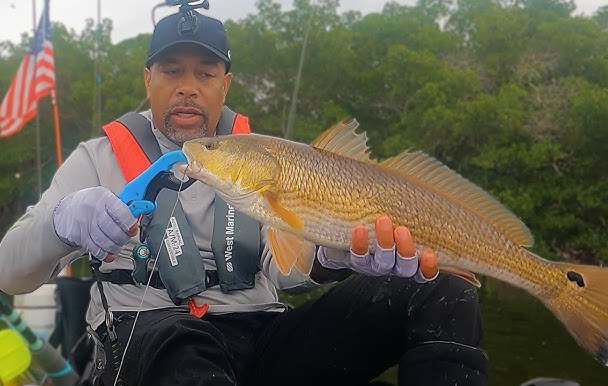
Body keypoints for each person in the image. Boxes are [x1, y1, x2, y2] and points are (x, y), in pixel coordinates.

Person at [0, 7, 488, 386]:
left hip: (263, 334)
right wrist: (62, 222)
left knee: (443, 291)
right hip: (151, 338)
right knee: (179, 340)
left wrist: (338, 256)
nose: (188, 88)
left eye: (206, 74)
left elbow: (283, 268)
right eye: (171, 71)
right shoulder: (95, 158)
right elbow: (9, 272)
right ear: (148, 79)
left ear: (225, 84)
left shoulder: (264, 158)